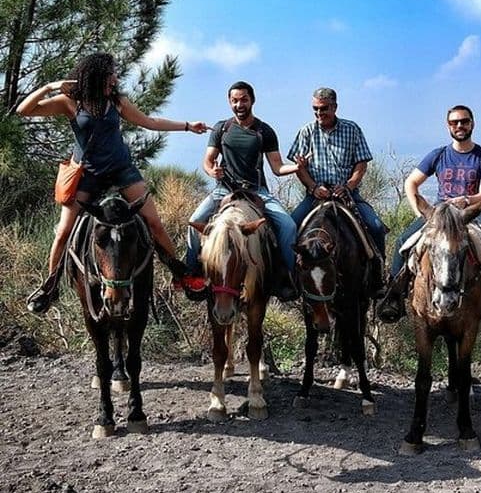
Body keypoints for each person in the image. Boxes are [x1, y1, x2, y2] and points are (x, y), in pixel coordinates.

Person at [16, 52, 208, 314]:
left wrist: (187, 126)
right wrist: (50, 87)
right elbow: (24, 110)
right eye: (110, 75)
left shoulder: (116, 102)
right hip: (88, 175)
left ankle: (181, 276)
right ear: (96, 77)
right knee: (63, 232)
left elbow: (150, 122)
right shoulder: (70, 102)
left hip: (121, 170)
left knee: (154, 223)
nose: (115, 79)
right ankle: (49, 287)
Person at [376, 104, 481, 329]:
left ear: (472, 124)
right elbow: (411, 182)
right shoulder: (438, 155)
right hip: (440, 215)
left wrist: (466, 200)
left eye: (464, 121)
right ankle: (394, 296)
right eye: (455, 122)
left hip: (472, 215)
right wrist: (419, 212)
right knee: (403, 241)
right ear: (448, 126)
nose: (459, 126)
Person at [184, 81, 302, 301]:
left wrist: (296, 167)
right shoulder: (221, 129)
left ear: (252, 101)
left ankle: (288, 277)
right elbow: (208, 161)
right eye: (235, 100)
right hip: (224, 190)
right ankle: (192, 274)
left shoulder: (264, 131)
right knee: (195, 221)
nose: (239, 105)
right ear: (229, 102)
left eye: (244, 100)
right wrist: (212, 172)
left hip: (257, 191)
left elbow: (277, 167)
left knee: (288, 226)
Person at [287, 87, 386, 297]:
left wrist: (348, 186)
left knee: (376, 227)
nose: (319, 113)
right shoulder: (306, 131)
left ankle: (378, 279)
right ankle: (289, 279)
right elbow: (299, 168)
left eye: (323, 109)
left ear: (334, 107)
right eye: (315, 109)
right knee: (290, 226)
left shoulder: (352, 129)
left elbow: (361, 164)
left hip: (347, 194)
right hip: (315, 195)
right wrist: (313, 187)